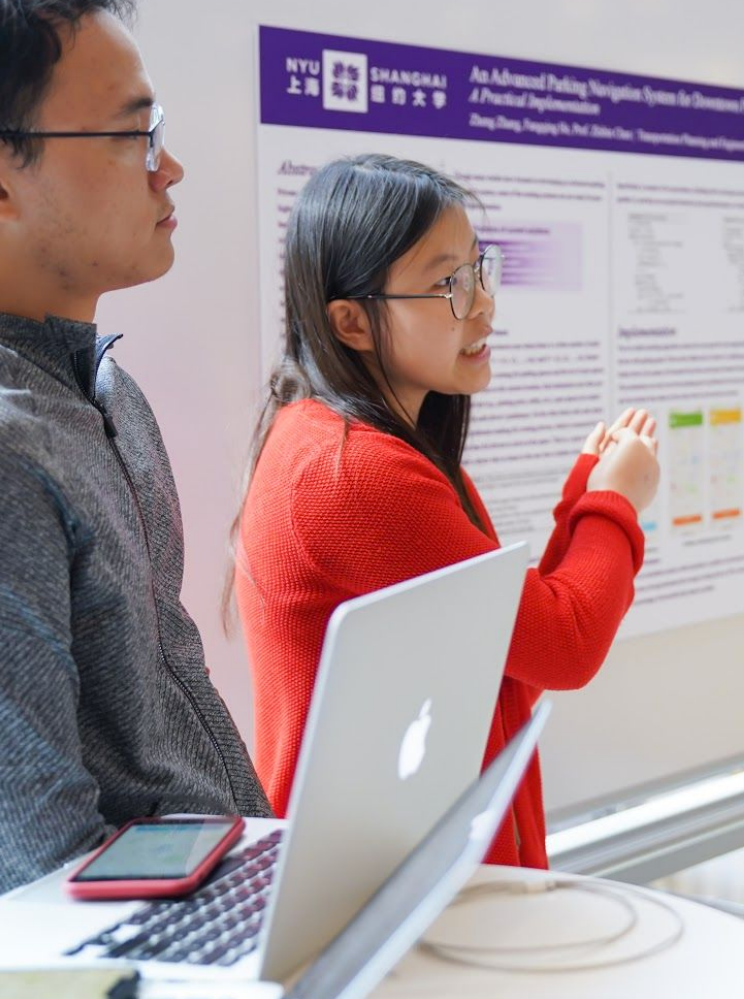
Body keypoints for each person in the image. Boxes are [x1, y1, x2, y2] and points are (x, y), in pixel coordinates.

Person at [0, 0, 269, 936]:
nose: (169, 167)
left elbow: (160, 727)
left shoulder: (92, 383)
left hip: (198, 916)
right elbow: (30, 885)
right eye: (133, 135)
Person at [235, 154, 659, 868]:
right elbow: (565, 644)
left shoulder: (364, 448)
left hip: (405, 880)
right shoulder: (354, 472)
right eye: (446, 284)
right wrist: (615, 504)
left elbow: (511, 652)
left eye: (476, 271)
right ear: (351, 322)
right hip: (382, 892)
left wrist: (584, 500)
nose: (483, 304)